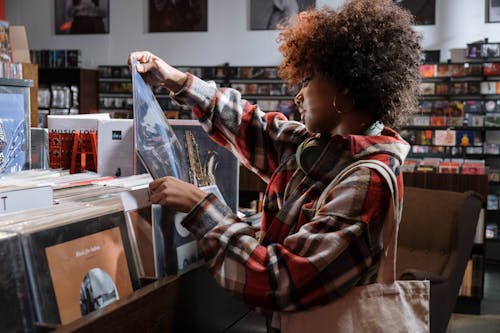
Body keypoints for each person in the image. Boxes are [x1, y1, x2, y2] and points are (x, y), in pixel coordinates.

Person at [130, 0, 421, 331]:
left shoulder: (368, 180)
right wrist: (175, 79)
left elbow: (281, 281)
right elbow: (252, 126)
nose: (298, 95)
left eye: (309, 79)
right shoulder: (319, 147)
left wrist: (201, 207)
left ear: (345, 93)